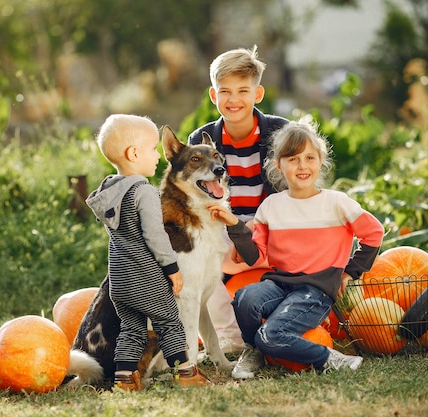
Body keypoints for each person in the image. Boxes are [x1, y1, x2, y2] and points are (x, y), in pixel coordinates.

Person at [207, 116, 384, 378]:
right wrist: (234, 224)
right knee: (245, 299)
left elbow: (374, 233)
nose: (302, 166)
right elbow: (255, 256)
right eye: (293, 159)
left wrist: (349, 272)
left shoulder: (337, 203)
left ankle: (331, 358)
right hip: (280, 283)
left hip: (316, 289)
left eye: (310, 158)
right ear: (279, 165)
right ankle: (253, 350)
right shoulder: (271, 206)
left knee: (272, 336)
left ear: (320, 161)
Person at [86, 114, 210, 390]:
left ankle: (125, 378)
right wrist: (172, 270)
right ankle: (187, 373)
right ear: (133, 153)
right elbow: (155, 236)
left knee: (132, 329)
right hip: (145, 278)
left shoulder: (109, 190)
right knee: (170, 323)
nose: (157, 156)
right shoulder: (144, 192)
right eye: (153, 149)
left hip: (118, 281)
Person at [188, 45, 289, 354]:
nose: (233, 100)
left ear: (257, 94)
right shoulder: (201, 141)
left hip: (268, 228)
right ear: (213, 95)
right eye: (225, 91)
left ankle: (284, 314)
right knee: (199, 263)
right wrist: (229, 238)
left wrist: (253, 237)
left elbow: (289, 196)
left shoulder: (280, 131)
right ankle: (229, 338)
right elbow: (196, 198)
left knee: (286, 259)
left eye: (243, 91)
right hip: (223, 227)